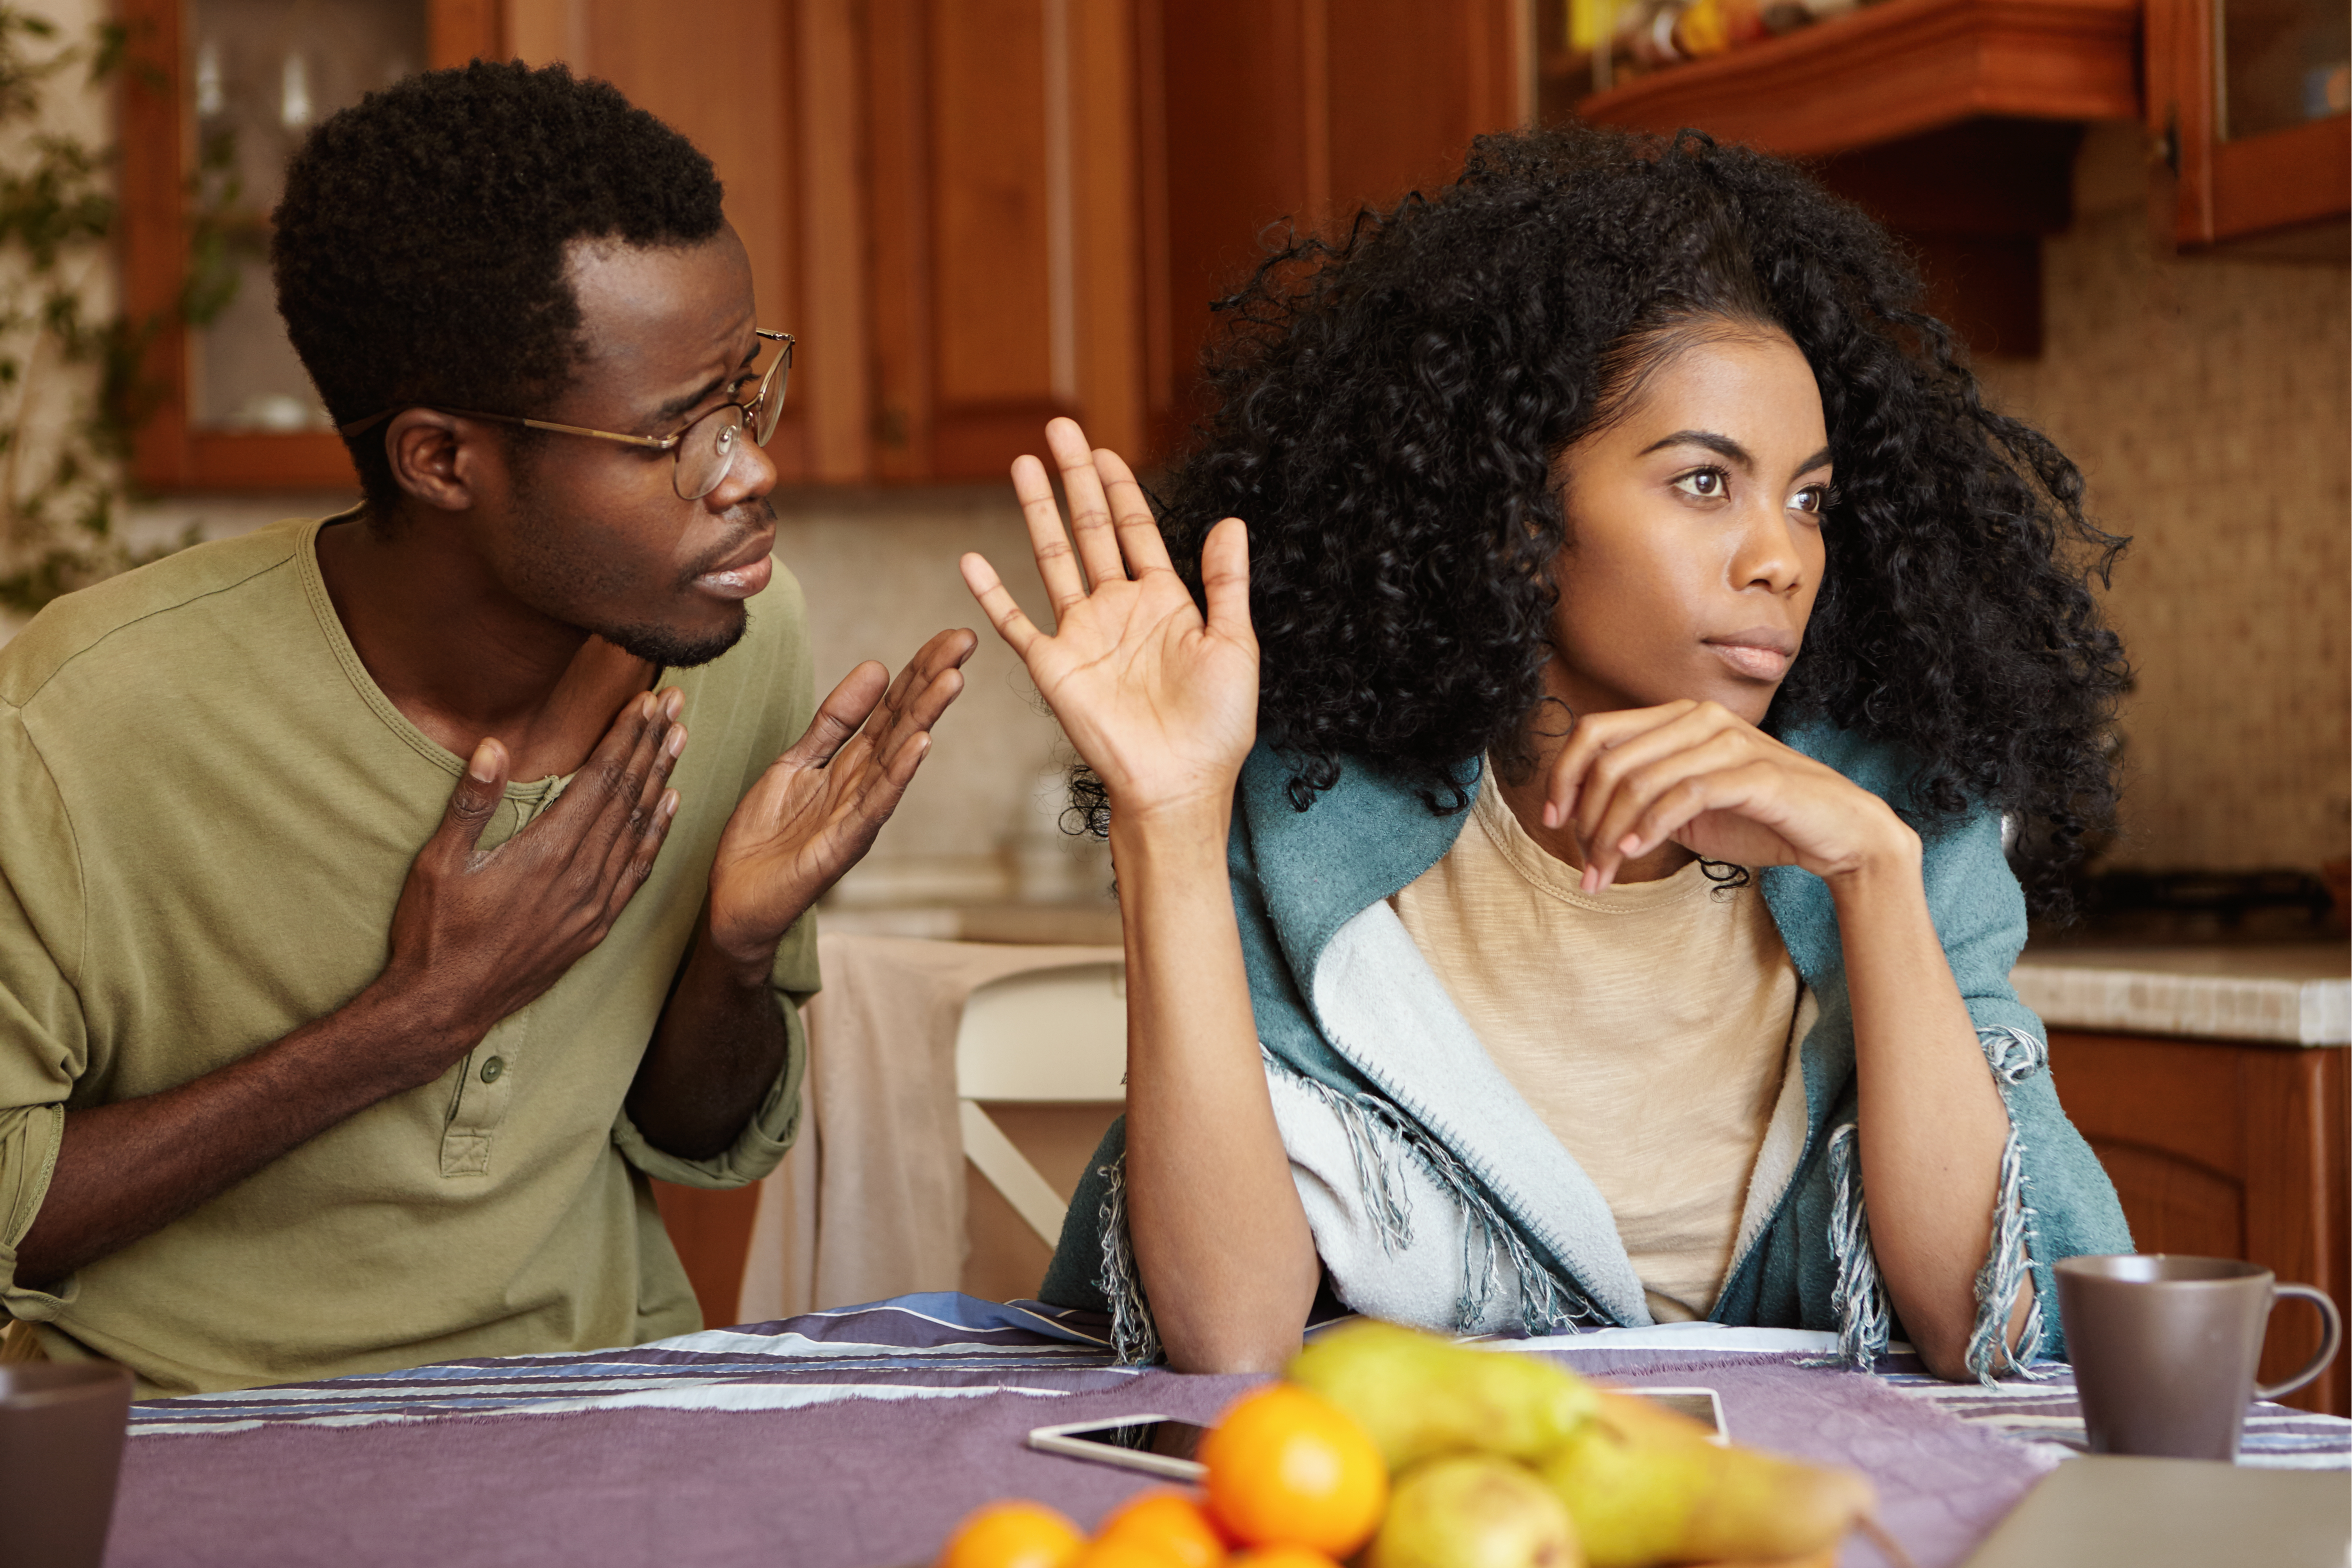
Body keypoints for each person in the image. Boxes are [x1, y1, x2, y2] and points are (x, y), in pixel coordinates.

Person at [961, 126, 2133, 1382]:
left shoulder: (1903, 803)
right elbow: (1231, 1337)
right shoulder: (1311, 819)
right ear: (1520, 522)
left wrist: (1877, 876)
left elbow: (1996, 1323)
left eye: (1809, 499)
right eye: (1702, 483)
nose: (1780, 556)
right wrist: (1169, 820)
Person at [0, 62, 974, 1394]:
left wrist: (736, 955)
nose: (752, 469)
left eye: (746, 391)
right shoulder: (79, 721)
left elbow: (694, 1126)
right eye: (676, 433)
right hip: (191, 1434)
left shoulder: (739, 638)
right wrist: (414, 1017)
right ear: (444, 460)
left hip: (599, 1400)